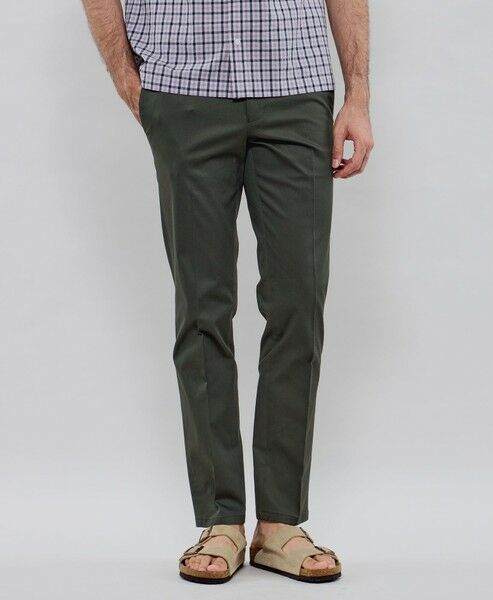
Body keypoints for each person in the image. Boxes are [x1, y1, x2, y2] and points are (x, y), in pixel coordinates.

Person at [82, 0, 373, 585]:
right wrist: (126, 79)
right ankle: (222, 520)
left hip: (295, 90)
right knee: (202, 309)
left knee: (299, 302)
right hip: (182, 92)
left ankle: (280, 525)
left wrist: (358, 96)